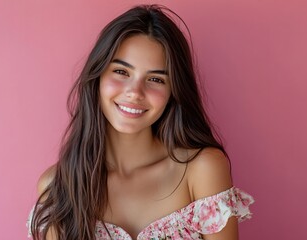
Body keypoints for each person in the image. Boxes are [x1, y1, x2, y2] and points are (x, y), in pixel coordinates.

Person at [28, 4, 254, 240]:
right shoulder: (57, 187)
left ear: (173, 91)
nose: (135, 92)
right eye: (121, 72)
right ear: (97, 77)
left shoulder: (202, 169)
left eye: (155, 78)